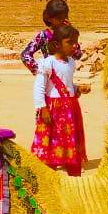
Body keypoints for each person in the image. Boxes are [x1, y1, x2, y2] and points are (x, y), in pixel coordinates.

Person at [31, 23, 89, 176]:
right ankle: (50, 178)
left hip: (71, 109)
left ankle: (74, 176)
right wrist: (42, 108)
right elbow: (39, 87)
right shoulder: (47, 63)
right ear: (57, 44)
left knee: (71, 142)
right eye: (70, 42)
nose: (74, 46)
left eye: (75, 42)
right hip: (53, 110)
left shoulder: (71, 63)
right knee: (52, 144)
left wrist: (77, 89)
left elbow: (66, 84)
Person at [21, 0, 82, 73]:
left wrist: (71, 32)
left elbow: (78, 55)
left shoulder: (68, 35)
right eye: (59, 18)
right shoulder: (43, 36)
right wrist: (38, 70)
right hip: (51, 79)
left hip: (66, 76)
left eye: (65, 17)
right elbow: (25, 55)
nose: (63, 20)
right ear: (49, 18)